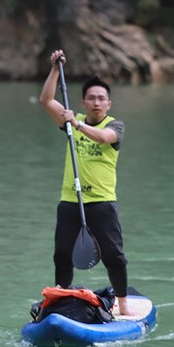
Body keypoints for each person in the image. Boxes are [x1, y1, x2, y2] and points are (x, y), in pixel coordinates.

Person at [39, 49, 130, 315]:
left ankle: (123, 306)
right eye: (91, 98)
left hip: (101, 202)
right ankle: (57, 304)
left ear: (109, 104)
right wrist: (55, 69)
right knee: (62, 257)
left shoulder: (116, 126)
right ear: (83, 102)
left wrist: (76, 126)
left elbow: (103, 138)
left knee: (114, 257)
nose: (96, 103)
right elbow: (46, 100)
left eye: (101, 99)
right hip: (70, 200)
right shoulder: (72, 119)